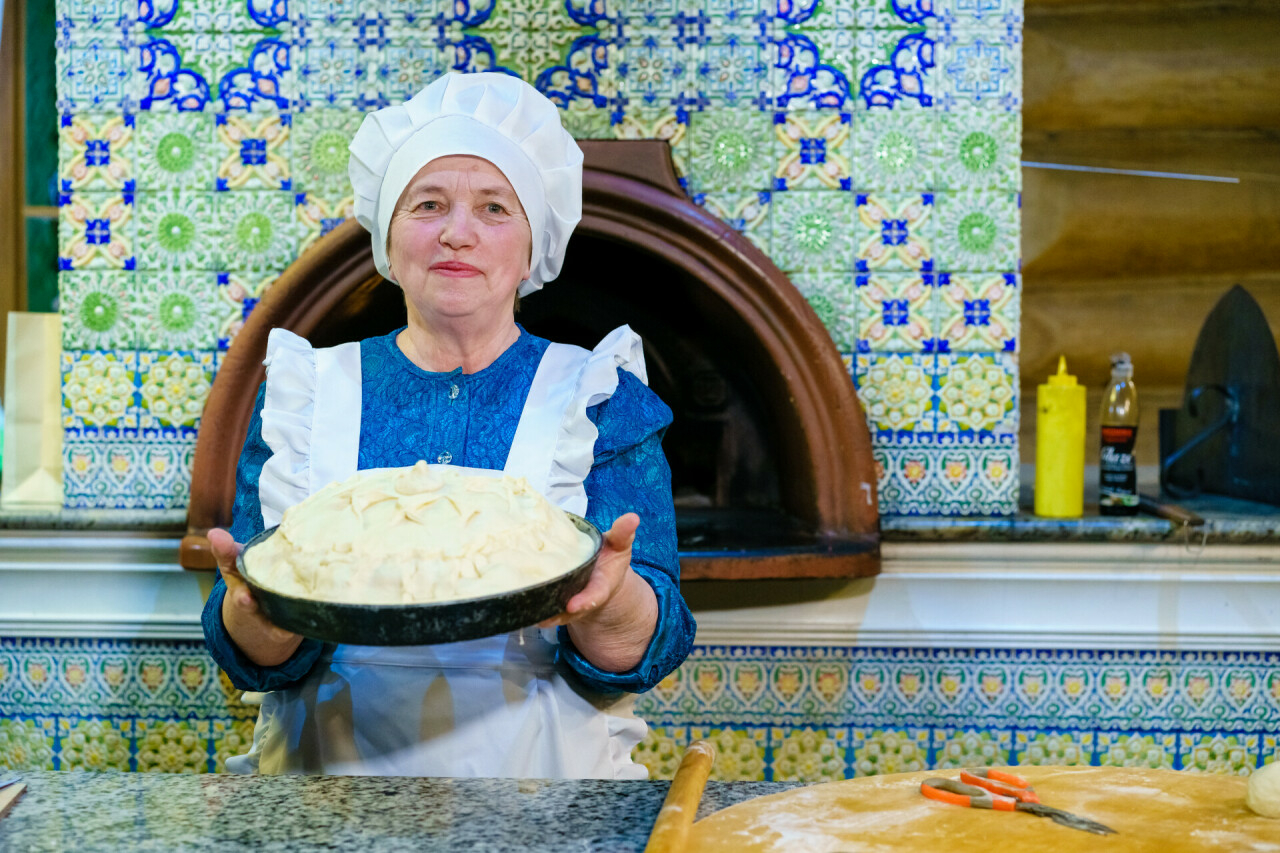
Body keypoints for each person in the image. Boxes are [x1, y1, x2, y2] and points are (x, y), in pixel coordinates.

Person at [200, 71, 696, 778]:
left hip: (539, 803)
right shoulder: (309, 393)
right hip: (327, 801)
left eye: (495, 208)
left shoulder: (596, 393)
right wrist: (254, 612)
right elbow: (255, 654)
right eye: (427, 204)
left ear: (532, 247)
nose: (457, 233)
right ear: (389, 239)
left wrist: (609, 601)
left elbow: (645, 650)